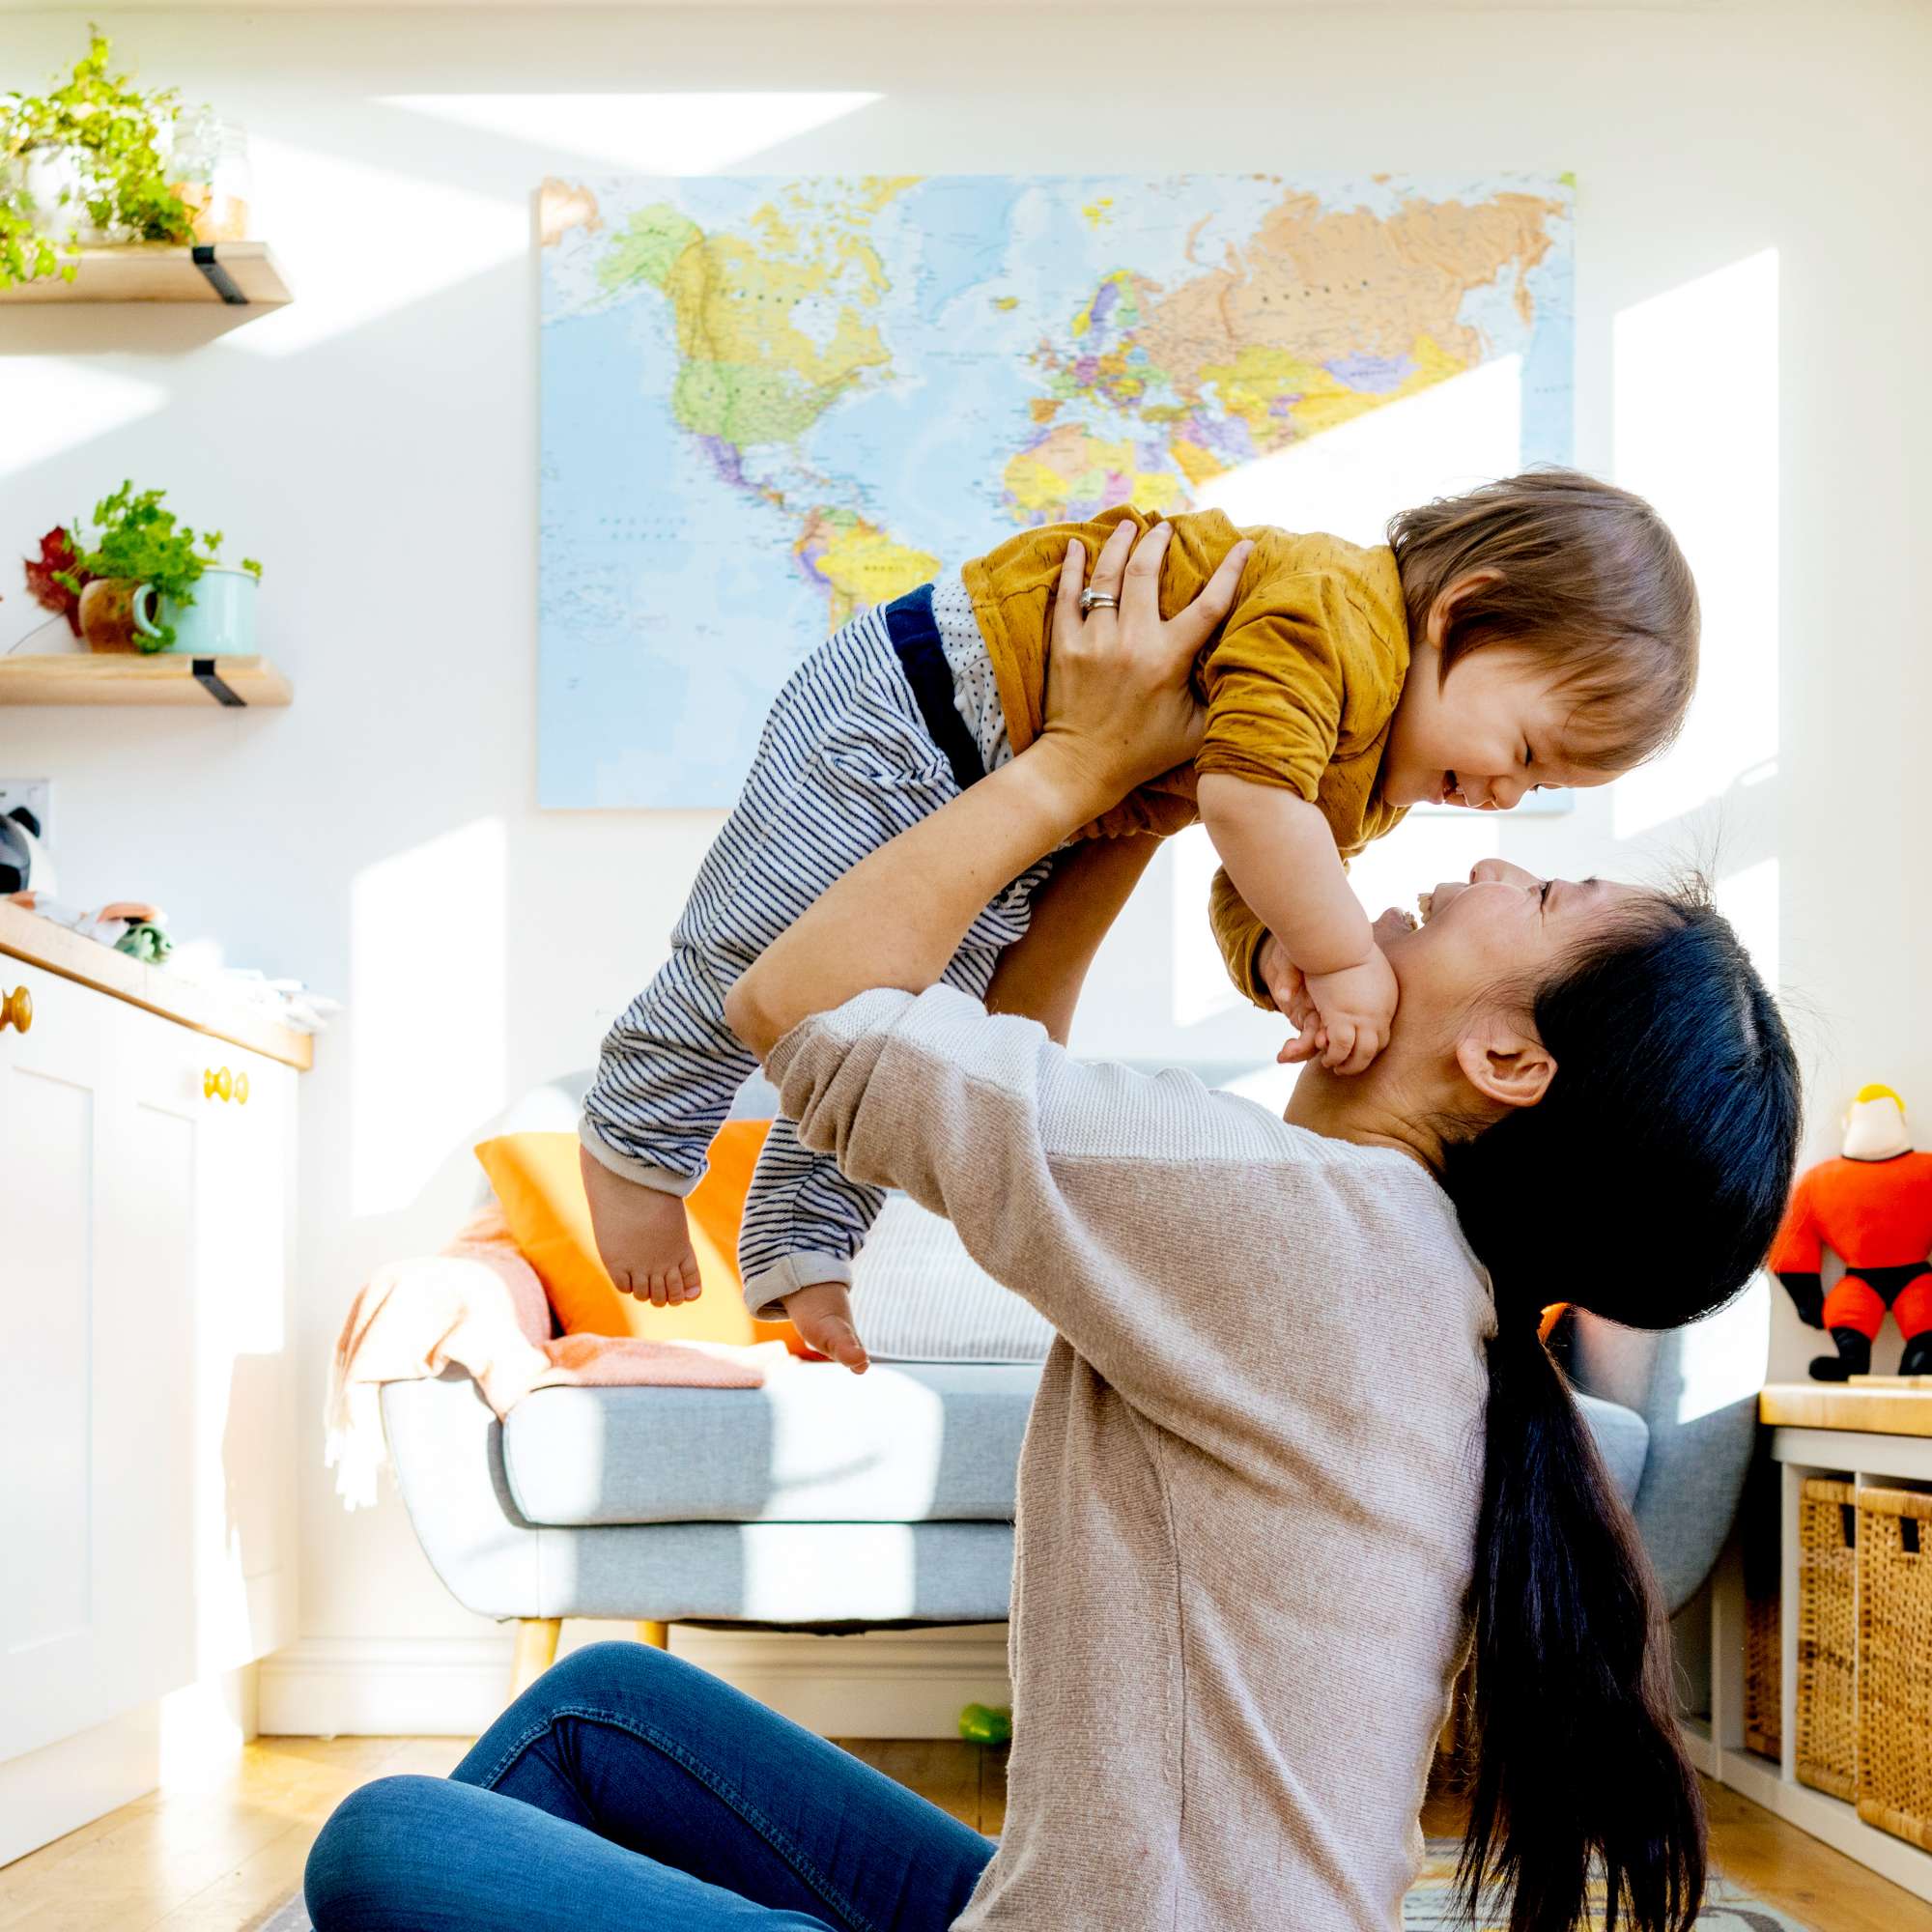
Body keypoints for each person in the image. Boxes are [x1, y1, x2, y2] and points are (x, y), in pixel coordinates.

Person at [306, 529, 1797, 1932]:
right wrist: (1128, 801)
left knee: (388, 1842)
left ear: (1511, 1065)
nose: (1482, 860)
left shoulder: (1299, 1230)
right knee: (602, 1713)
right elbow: (1003, 1055)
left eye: (1531, 891)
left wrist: (1079, 752)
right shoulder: (1383, 1256)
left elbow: (796, 1004)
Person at [580, 476, 1699, 1365]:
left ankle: (800, 1233)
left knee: (914, 1016)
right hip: (926, 707)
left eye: (1540, 789)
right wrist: (1335, 951)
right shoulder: (1340, 617)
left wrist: (1277, 952)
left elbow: (1243, 858)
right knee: (754, 936)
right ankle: (635, 1137)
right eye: (1525, 752)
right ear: (1459, 614)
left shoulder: (1354, 778)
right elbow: (1244, 803)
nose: (1504, 809)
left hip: (1028, 779)